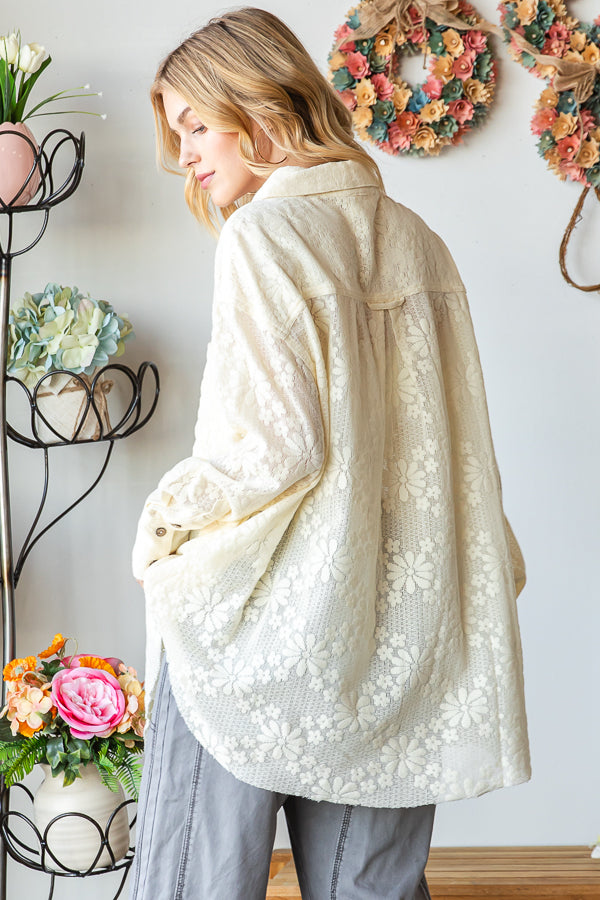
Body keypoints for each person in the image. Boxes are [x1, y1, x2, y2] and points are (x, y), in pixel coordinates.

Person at [130, 7, 530, 899]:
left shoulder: (263, 236)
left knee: (196, 883)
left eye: (195, 125)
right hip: (395, 632)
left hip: (259, 620)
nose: (184, 156)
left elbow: (275, 448)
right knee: (373, 890)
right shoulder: (419, 241)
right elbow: (462, 449)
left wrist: (165, 525)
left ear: (258, 104)